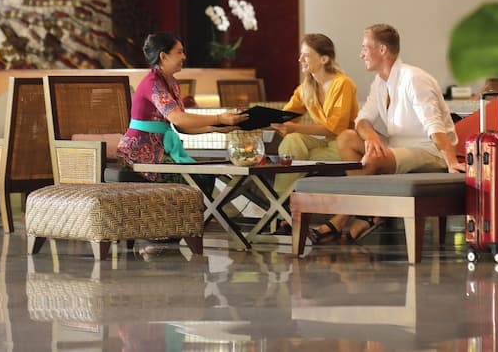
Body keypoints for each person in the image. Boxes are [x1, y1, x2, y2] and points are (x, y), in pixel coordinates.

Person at [319, 24, 465, 244]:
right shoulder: (380, 82)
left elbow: (434, 126)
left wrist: (452, 162)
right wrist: (371, 136)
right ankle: (369, 213)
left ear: (382, 49)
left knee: (373, 160)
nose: (361, 54)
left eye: (365, 48)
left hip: (430, 149)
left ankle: (341, 219)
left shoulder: (414, 78)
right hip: (398, 147)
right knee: (346, 138)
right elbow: (362, 120)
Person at [117, 32, 248, 193]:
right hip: (139, 154)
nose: (184, 57)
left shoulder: (173, 83)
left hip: (160, 151)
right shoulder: (153, 83)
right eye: (179, 52)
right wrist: (219, 118)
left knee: (206, 176)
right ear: (163, 56)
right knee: (197, 179)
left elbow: (182, 126)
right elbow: (178, 118)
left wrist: (217, 128)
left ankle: (204, 209)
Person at [269, 34, 359, 214]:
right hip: (325, 142)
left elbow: (336, 128)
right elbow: (286, 116)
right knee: (293, 140)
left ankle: (283, 209)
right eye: (301, 54)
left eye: (306, 55)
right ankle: (283, 202)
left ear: (324, 59)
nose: (300, 59)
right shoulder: (306, 88)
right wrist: (264, 120)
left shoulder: (343, 84)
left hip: (344, 145)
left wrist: (294, 127)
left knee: (299, 153)